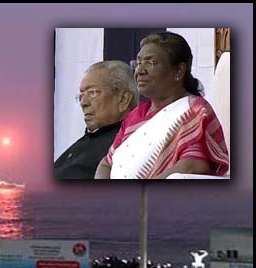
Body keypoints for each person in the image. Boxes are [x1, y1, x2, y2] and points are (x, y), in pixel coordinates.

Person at [96, 32, 229, 179]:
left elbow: (192, 166)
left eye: (150, 62)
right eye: (138, 63)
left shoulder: (194, 111)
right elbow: (106, 163)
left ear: (178, 71)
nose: (139, 71)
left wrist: (140, 195)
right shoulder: (136, 115)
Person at [55, 60, 139, 179]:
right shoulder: (90, 139)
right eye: (81, 95)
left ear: (123, 99)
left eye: (92, 93)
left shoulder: (128, 146)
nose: (83, 103)